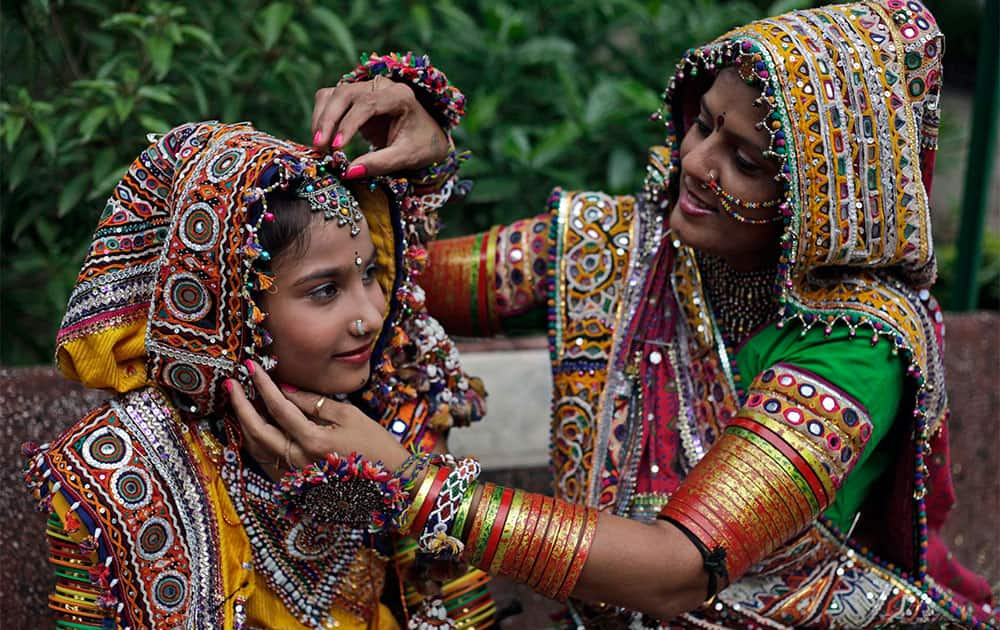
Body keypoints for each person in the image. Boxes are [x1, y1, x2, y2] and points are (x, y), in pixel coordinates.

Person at [238, 0, 999, 627]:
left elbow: (677, 572)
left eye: (747, 162)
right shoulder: (622, 249)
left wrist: (412, 484)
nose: (698, 165)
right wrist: (408, 160)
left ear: (824, 198)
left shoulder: (851, 348)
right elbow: (398, 287)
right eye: (703, 126)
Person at [22, 115, 500, 629]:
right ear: (233, 308)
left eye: (369, 275)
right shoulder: (116, 475)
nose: (369, 317)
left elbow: (462, 617)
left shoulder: (397, 414)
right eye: (325, 290)